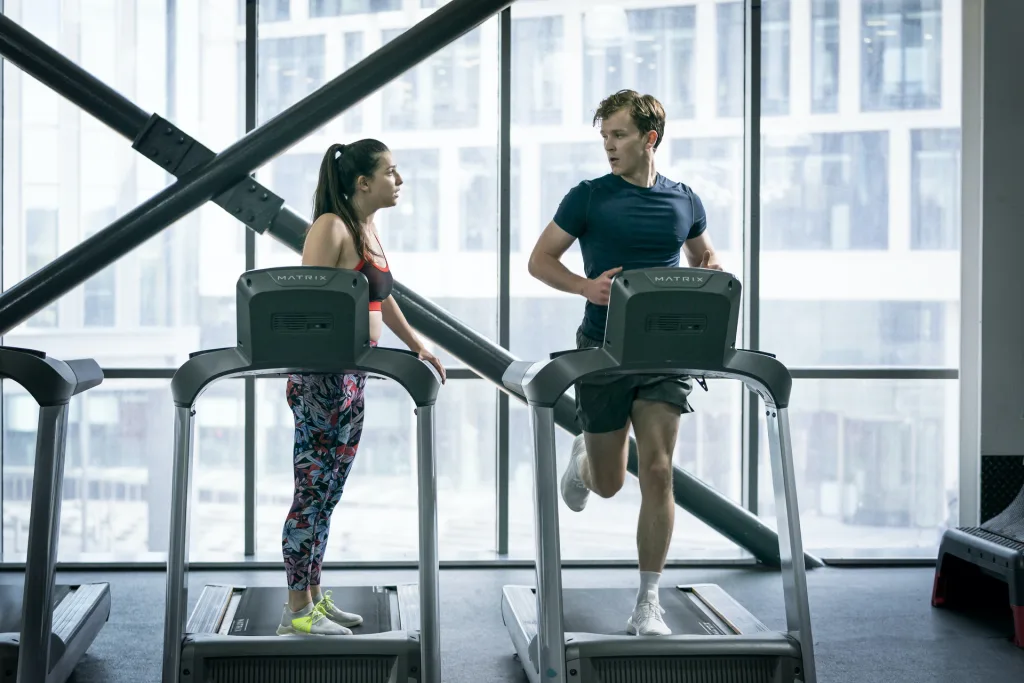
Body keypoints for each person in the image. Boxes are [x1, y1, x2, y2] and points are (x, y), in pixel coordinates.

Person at [526, 90, 723, 637]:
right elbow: (540, 261)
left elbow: (703, 260)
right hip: (603, 350)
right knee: (610, 483)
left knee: (658, 470)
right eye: (605, 137)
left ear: (649, 138)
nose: (609, 146)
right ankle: (585, 456)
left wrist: (710, 266)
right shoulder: (587, 198)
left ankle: (648, 602)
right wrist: (587, 287)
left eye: (619, 135)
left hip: (663, 353)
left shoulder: (685, 201)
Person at [277, 139, 447, 637]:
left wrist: (418, 345)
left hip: (352, 377)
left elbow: (383, 299)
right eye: (392, 172)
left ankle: (312, 595)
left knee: (329, 492)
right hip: (321, 380)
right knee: (310, 492)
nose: (400, 180)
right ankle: (296, 611)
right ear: (362, 182)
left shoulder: (366, 228)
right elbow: (306, 300)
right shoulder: (331, 227)